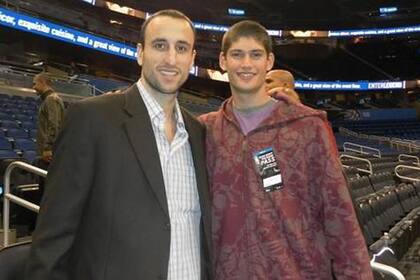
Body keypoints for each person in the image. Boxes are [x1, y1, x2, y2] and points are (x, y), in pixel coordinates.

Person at [25, 9, 212, 280]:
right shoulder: (91, 118)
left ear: (192, 59)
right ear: (140, 52)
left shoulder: (198, 132)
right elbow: (52, 238)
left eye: (181, 48)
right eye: (160, 45)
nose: (171, 58)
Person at [199, 20, 373, 279]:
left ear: (269, 61)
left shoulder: (307, 127)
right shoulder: (205, 130)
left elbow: (339, 213)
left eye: (255, 55)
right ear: (223, 61)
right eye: (237, 54)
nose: (246, 64)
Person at [32, 73, 65, 163]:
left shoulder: (51, 99)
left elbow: (54, 124)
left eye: (35, 84)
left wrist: (48, 148)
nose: (33, 87)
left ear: (42, 82)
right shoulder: (50, 99)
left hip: (49, 152)